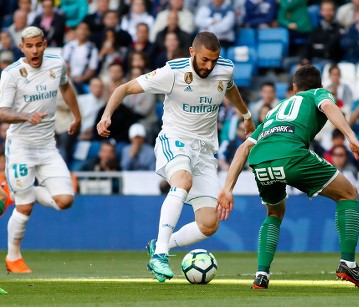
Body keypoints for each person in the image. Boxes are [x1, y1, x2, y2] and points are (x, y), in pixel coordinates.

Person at [96, 31, 255, 283]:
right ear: (192, 52)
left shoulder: (225, 69)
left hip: (204, 151)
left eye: (214, 60)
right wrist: (106, 116)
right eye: (204, 60)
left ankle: (161, 244)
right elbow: (124, 88)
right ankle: (160, 255)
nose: (209, 66)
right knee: (182, 181)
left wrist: (246, 116)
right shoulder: (173, 72)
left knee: (209, 224)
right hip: (175, 140)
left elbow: (229, 89)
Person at [217, 64, 359, 289]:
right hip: (291, 155)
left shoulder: (275, 111)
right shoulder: (318, 93)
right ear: (321, 85)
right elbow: (328, 105)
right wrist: (350, 136)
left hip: (260, 162)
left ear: (293, 88)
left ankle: (261, 275)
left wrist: (227, 188)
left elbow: (244, 148)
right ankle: (348, 263)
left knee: (274, 212)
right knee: (348, 193)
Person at [0, 26, 81, 273]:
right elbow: (2, 113)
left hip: (47, 146)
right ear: (22, 48)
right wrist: (26, 117)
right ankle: (13, 258)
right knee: (24, 207)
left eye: (38, 45)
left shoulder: (57, 64)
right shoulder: (11, 74)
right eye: (29, 46)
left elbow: (65, 87)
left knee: (65, 201)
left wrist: (77, 116)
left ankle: (17, 190)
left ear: (45, 44)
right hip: (21, 146)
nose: (34, 50)